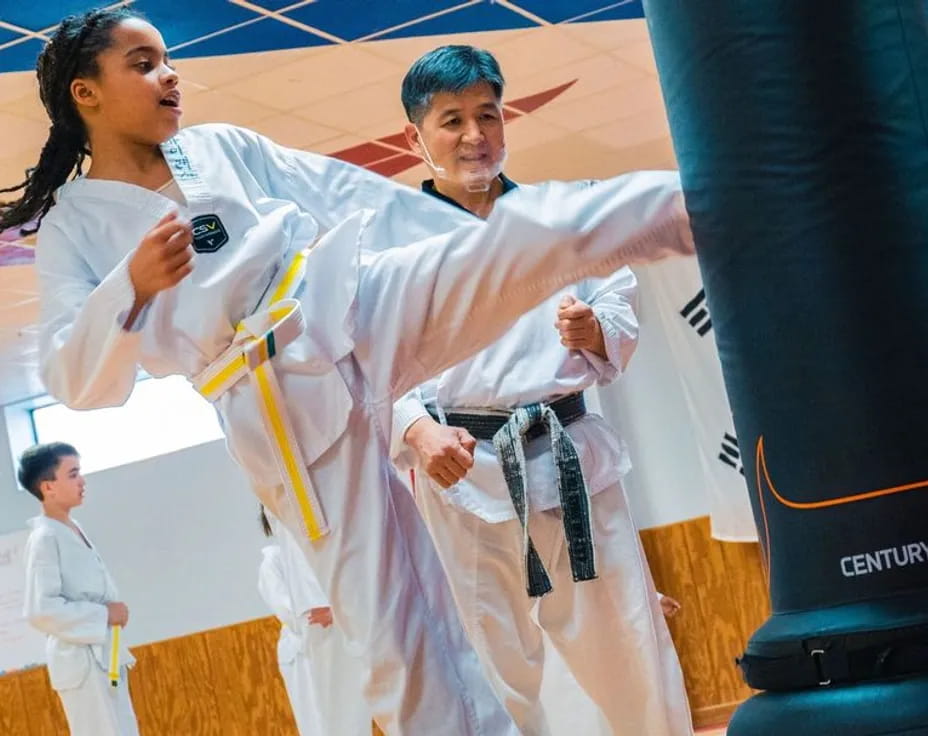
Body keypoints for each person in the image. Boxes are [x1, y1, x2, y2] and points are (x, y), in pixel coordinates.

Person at [1, 9, 694, 733]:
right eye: (143, 64)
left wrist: (466, 244)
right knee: (397, 634)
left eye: (167, 58)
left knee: (515, 242)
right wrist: (132, 286)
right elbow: (69, 375)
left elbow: (346, 195)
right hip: (276, 403)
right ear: (87, 94)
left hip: (343, 303)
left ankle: (694, 204)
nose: (170, 74)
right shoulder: (75, 228)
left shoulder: (217, 148)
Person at [392, 45, 692, 735]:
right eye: (452, 121)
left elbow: (618, 303)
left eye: (488, 116)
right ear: (416, 136)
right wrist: (416, 428)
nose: (475, 136)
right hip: (460, 469)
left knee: (629, 644)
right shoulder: (387, 249)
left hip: (572, 458)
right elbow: (360, 365)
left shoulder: (564, 224)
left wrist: (595, 332)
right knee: (486, 668)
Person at [19, 442, 138, 736]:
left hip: (102, 654)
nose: (82, 481)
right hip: (80, 660)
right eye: (73, 474)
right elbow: (40, 610)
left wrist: (108, 615)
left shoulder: (71, 528)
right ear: (48, 487)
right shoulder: (45, 537)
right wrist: (104, 614)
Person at [258, 507, 369, 736]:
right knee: (318, 723)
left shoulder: (312, 549)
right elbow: (294, 611)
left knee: (349, 716)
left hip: (338, 631)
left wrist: (340, 611)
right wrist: (330, 611)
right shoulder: (272, 561)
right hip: (303, 648)